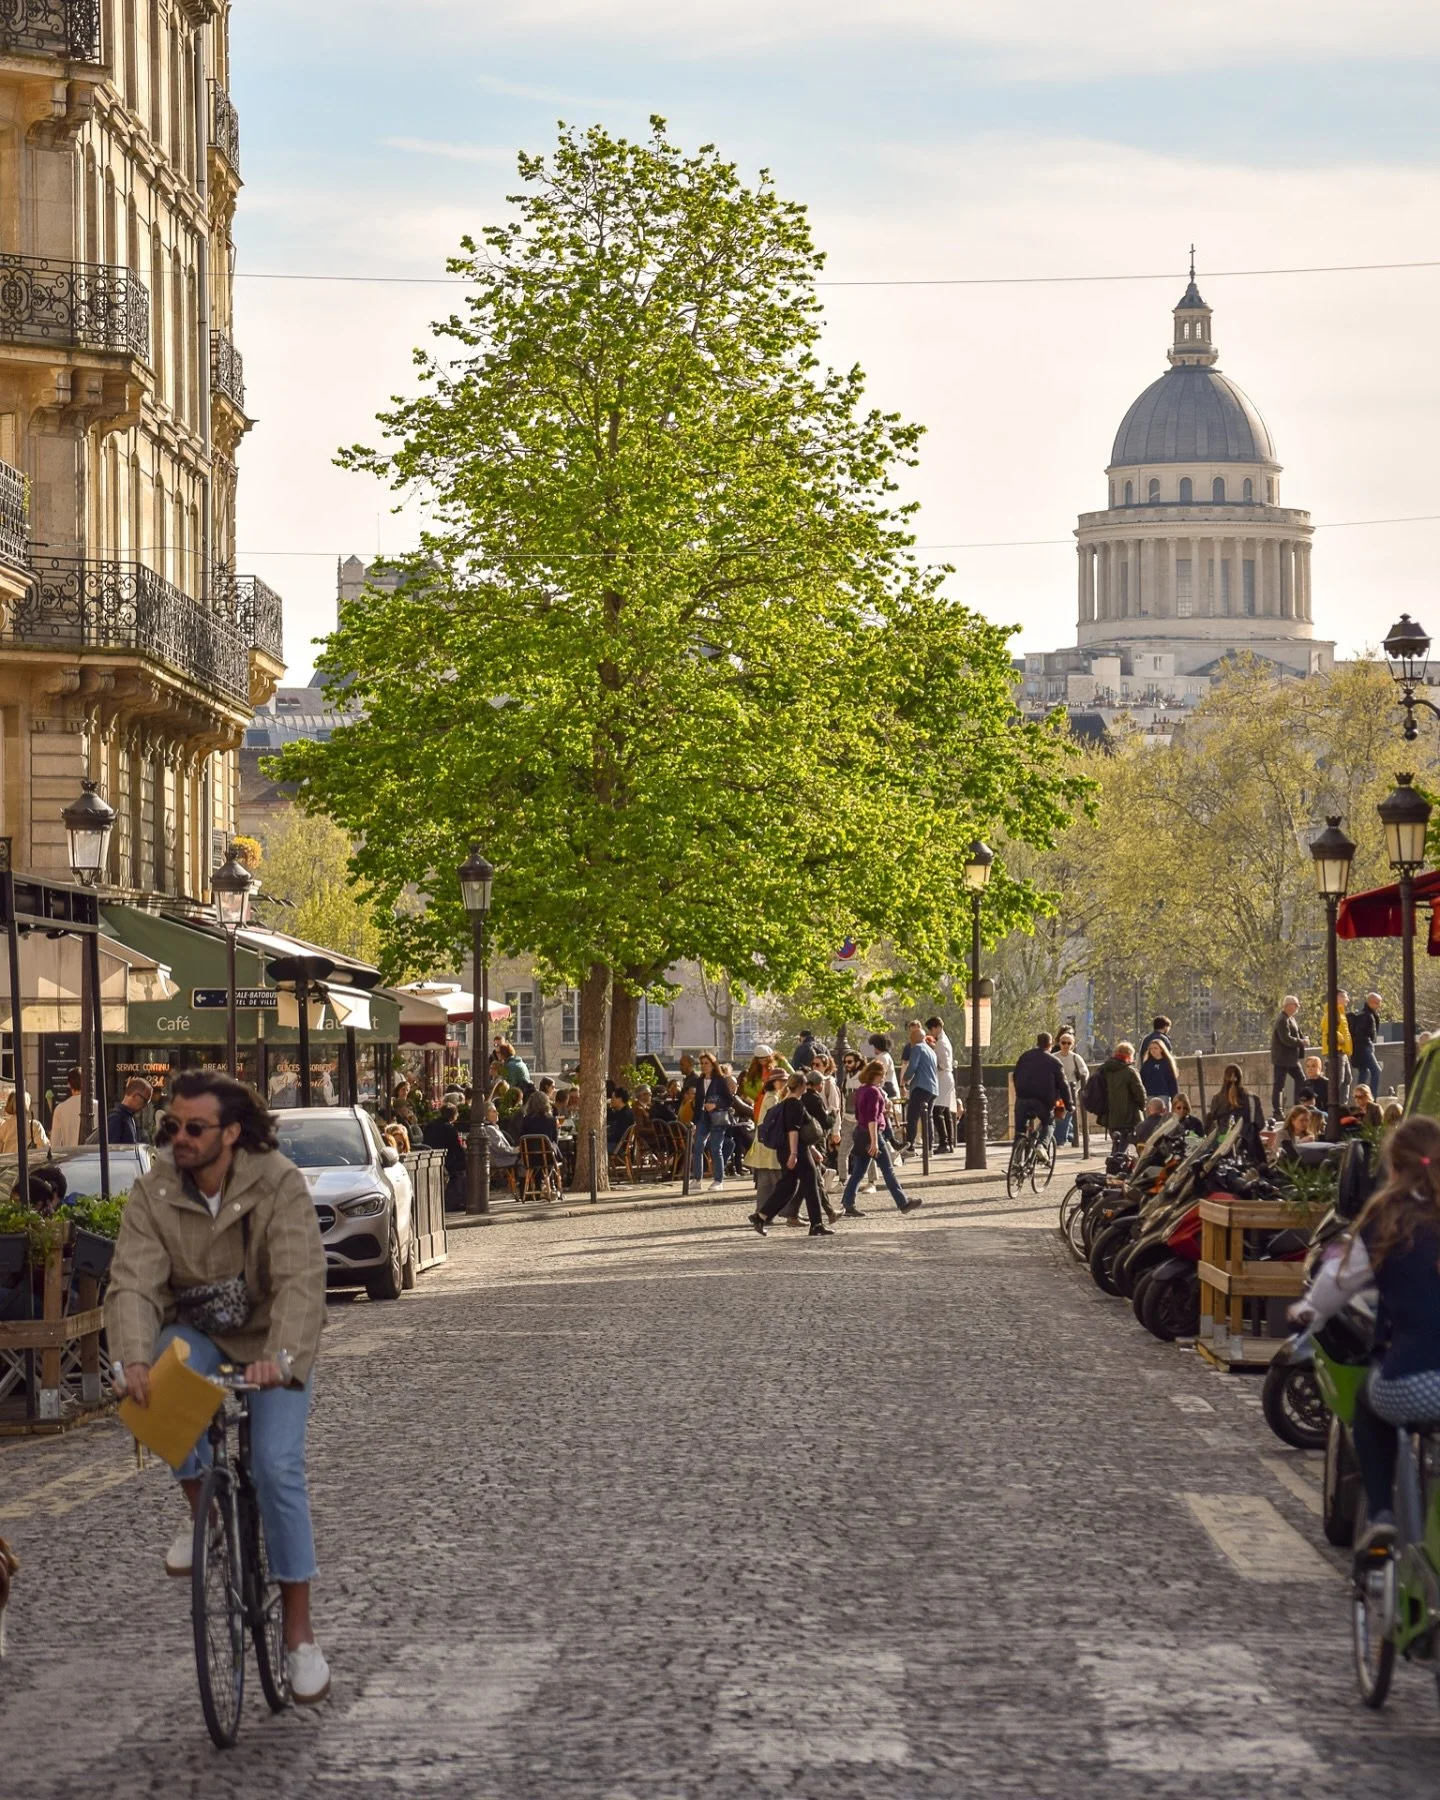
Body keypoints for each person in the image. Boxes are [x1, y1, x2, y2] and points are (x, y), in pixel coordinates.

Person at [105, 1070, 331, 1703]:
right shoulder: (154, 1192)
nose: (179, 1136)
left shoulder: (278, 1183)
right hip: (198, 1330)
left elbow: (300, 1280)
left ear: (231, 1133)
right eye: (170, 1125)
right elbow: (133, 1284)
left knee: (276, 1465)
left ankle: (299, 1637)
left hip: (270, 1340)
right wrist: (133, 1359)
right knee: (145, 1386)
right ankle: (206, 1508)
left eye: (194, 1127)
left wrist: (281, 1357)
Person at [1289, 1115, 1440, 1560]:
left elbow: (1336, 1281)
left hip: (1412, 1381)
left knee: (1368, 1409)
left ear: (1394, 1166)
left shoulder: (1386, 1216)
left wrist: (1307, 1312)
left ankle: (1381, 1516)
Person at [751, 1072, 831, 1235]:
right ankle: (816, 1224)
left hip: (785, 1150)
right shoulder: (795, 1104)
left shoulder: (784, 1103)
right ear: (801, 1086)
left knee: (787, 1186)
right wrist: (794, 1154)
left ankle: (761, 1216)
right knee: (811, 1184)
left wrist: (812, 1150)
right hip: (797, 1152)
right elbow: (793, 1130)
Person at [837, 1059, 914, 1217]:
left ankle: (848, 1202)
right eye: (883, 1074)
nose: (884, 1077)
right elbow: (872, 1118)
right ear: (876, 1074)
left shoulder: (861, 1090)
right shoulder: (874, 1091)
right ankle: (903, 1202)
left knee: (858, 1171)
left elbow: (861, 1115)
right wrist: (874, 1142)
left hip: (861, 1132)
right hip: (872, 1135)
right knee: (888, 1170)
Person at [1012, 1032, 1068, 1146]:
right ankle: (1042, 1146)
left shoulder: (1025, 1056)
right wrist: (1069, 1104)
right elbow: (1063, 1085)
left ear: (1037, 1043)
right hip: (1043, 1101)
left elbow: (1015, 1075)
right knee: (1049, 1123)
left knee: (1020, 1131)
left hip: (1022, 1098)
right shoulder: (1054, 1061)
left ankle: (1017, 1153)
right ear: (1050, 1044)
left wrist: (1019, 1091)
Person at [745, 1073, 788, 1216]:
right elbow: (777, 1119)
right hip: (770, 1145)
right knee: (777, 1180)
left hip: (764, 1144)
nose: (783, 1083)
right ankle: (783, 1210)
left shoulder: (771, 1096)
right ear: (773, 1082)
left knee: (765, 1182)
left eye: (785, 1080)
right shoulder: (772, 1098)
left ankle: (762, 1211)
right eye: (781, 1080)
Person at [1205, 1062, 1266, 1163]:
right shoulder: (1252, 1099)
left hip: (1222, 1149)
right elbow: (1260, 1123)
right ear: (1241, 1078)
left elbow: (1211, 1122)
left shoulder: (1217, 1099)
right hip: (1248, 1149)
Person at [691, 1053, 734, 1192]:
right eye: (702, 1063)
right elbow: (697, 1103)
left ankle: (718, 1180)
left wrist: (716, 1105)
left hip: (717, 1117)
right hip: (703, 1117)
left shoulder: (720, 1080)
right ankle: (697, 1179)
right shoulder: (699, 1081)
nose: (703, 1066)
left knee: (716, 1148)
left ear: (713, 1064)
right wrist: (695, 1122)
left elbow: (729, 1100)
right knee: (698, 1146)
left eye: (706, 1063)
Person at [1098, 1041, 1147, 1151]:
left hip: (1111, 1117)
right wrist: (1142, 1106)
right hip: (1130, 1117)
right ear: (1129, 1055)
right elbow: (1139, 1092)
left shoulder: (1105, 1070)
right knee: (1141, 1146)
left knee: (1118, 1145)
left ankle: (1114, 1165)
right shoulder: (1130, 1071)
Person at [900, 1020, 939, 1153]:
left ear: (913, 1039)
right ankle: (929, 1147)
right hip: (933, 1088)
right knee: (928, 1117)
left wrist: (904, 1080)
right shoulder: (931, 1050)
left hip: (920, 1086)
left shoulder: (917, 1048)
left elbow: (912, 1067)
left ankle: (910, 1147)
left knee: (913, 1116)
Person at [422, 1103, 468, 1210]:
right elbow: (456, 1149)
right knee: (465, 1166)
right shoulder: (449, 1128)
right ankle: (458, 1198)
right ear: (454, 1116)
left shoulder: (430, 1126)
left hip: (430, 1158)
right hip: (446, 1160)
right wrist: (465, 1155)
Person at [924, 1016, 957, 1153]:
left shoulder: (941, 1043)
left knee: (938, 1111)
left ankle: (944, 1142)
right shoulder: (943, 1041)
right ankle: (950, 1141)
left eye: (931, 1029)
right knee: (946, 1111)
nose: (931, 1033)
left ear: (937, 1027)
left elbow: (942, 1064)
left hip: (943, 1077)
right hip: (946, 1077)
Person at [1270, 995, 1306, 1117]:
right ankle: (1277, 1111)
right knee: (1279, 1085)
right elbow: (1285, 1039)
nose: (1297, 1007)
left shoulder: (1290, 1019)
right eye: (1296, 1005)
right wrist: (1301, 1042)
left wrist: (1303, 1039)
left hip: (1290, 1058)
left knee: (1301, 1079)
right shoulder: (1282, 1020)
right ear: (1289, 1005)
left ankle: (1297, 1106)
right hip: (1282, 1058)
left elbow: (1296, 1033)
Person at [1053, 1031, 1089, 1149]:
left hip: (1071, 1089)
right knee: (1061, 1115)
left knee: (1066, 1115)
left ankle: (1062, 1140)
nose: (1066, 1045)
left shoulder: (1075, 1057)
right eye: (1063, 1043)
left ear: (1072, 1045)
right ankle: (1066, 1138)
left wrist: (1077, 1087)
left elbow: (1084, 1072)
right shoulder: (1055, 1057)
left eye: (1069, 1043)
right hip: (1058, 1090)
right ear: (1059, 1043)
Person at [1319, 990, 1354, 1097]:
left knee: (1347, 1079)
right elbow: (1327, 1027)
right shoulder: (1332, 1012)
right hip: (1336, 1050)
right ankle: (1334, 1103)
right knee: (1338, 1080)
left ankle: (1341, 1104)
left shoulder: (1340, 1012)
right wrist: (1340, 1038)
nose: (1347, 1000)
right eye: (1345, 997)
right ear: (1338, 998)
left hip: (1342, 1051)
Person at [1350, 991, 1385, 1096]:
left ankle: (1360, 1097)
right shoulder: (1366, 1015)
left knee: (1364, 1072)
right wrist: (1366, 1044)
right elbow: (1362, 1033)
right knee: (1376, 1071)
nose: (1379, 1005)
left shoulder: (1366, 1014)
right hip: (1364, 1047)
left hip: (1361, 1047)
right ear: (1371, 1002)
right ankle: (1371, 1098)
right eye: (1377, 1002)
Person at [105, 1078, 152, 1146]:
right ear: (135, 1095)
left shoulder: (128, 1117)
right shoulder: (116, 1118)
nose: (145, 1106)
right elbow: (111, 1151)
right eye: (145, 1101)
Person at [0, 1091, 48, 1155]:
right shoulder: (35, 1126)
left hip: (8, 1163)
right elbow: (44, 1149)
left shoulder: (4, 1126)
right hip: (27, 1163)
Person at [48, 1067, 84, 1151]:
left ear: (69, 1085)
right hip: (92, 1158)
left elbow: (55, 1143)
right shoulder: (97, 1106)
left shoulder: (60, 1109)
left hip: (69, 1158)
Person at [1139, 1036, 1180, 1107]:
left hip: (1163, 1094)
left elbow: (1172, 1081)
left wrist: (1175, 1098)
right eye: (1151, 1048)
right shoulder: (1147, 1064)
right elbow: (1142, 1079)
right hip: (1149, 1095)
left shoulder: (1167, 1063)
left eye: (1155, 1048)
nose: (1153, 1050)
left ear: (1161, 1049)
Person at [481, 1105, 520, 1172]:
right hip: (500, 1159)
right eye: (494, 1111)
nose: (497, 1113)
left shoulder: (492, 1128)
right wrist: (516, 1150)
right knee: (525, 1159)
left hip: (502, 1157)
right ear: (486, 1115)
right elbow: (500, 1148)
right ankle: (524, 1181)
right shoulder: (489, 1129)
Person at [606, 1087, 636, 1153]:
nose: (611, 1100)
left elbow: (618, 1136)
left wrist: (603, 1137)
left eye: (613, 1098)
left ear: (619, 1099)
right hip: (617, 1144)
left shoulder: (626, 1115)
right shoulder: (620, 1112)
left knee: (592, 1146)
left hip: (619, 1146)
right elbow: (609, 1117)